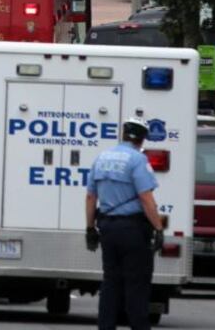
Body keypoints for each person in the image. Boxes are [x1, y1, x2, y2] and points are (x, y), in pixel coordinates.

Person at [85, 119, 165, 330]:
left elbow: (91, 197)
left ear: (124, 135)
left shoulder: (101, 158)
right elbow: (146, 199)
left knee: (110, 283)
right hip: (133, 231)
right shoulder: (138, 160)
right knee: (136, 286)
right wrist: (158, 228)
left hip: (108, 229)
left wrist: (89, 228)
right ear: (141, 138)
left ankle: (106, 327)